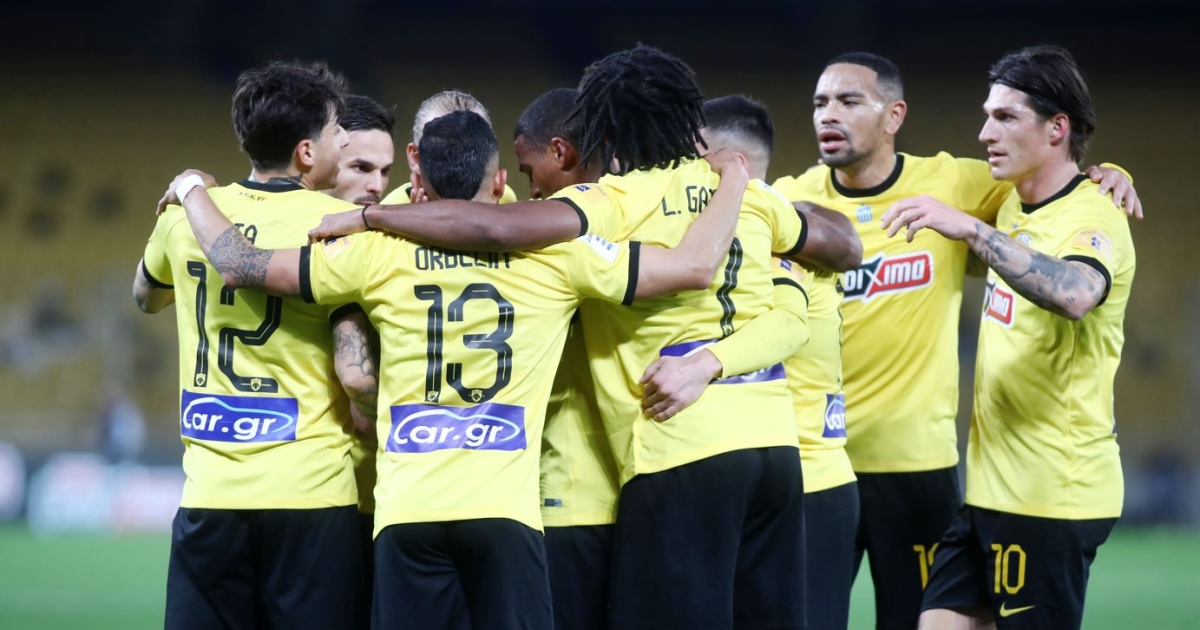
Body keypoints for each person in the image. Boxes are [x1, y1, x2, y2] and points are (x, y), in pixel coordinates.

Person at [309, 44, 841, 630]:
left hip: (678, 444)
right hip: (774, 448)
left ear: (602, 135)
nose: (531, 188)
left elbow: (494, 227)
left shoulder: (616, 200)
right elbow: (842, 245)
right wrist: (740, 179)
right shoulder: (750, 194)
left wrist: (371, 217)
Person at [164, 106, 757, 630]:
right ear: (499, 184)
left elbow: (242, 264)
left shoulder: (373, 251)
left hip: (406, 515)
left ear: (416, 183)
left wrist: (193, 191)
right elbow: (692, 266)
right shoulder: (557, 256)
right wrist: (733, 178)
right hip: (506, 515)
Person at [769, 52, 1140, 629]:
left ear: (894, 115)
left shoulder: (965, 191)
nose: (985, 133)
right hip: (830, 464)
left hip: (985, 477)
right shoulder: (792, 200)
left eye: (848, 100)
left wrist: (1110, 174)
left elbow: (1074, 272)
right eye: (820, 102)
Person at [876, 45, 1134, 630]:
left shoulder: (1093, 215)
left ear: (1056, 128)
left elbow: (1076, 293)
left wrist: (970, 229)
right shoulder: (1017, 205)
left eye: (1006, 117)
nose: (985, 132)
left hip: (1051, 493)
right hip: (990, 491)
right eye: (987, 115)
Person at [133, 61, 373, 630]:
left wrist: (193, 192)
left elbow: (145, 295)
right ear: (306, 152)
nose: (345, 139)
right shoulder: (344, 226)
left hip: (211, 495)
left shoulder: (186, 218)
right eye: (336, 129)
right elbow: (357, 371)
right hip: (312, 495)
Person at [694, 94, 861, 630]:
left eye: (692, 154)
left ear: (729, 161)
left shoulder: (768, 237)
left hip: (808, 481)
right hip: (761, 478)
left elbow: (787, 326)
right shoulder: (769, 226)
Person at [325, 92, 391, 629]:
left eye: (385, 171)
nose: (377, 185)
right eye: (361, 168)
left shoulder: (390, 238)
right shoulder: (325, 249)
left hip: (382, 499)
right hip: (335, 499)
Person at [380, 90, 518, 205]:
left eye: (471, 145)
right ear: (415, 158)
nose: (457, 155)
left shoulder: (505, 199)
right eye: (437, 143)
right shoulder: (389, 214)